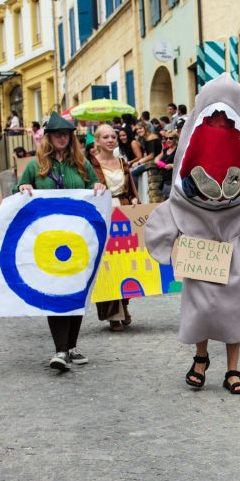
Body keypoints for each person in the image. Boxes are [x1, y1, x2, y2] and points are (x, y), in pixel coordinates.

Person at [145, 75, 240, 396]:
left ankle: (233, 369)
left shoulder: (237, 139)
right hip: (199, 239)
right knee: (201, 307)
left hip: (230, 240)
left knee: (233, 307)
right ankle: (201, 358)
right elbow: (179, 192)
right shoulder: (199, 134)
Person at [17, 112, 107, 372]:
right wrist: (22, 189)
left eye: (66, 134)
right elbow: (19, 193)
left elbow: (94, 186)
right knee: (55, 291)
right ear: (48, 137)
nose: (62, 137)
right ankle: (60, 350)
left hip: (78, 239)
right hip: (47, 241)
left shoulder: (81, 165)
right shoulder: (35, 167)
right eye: (57, 133)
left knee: (76, 291)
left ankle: (71, 346)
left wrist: (98, 188)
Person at [89, 124, 141, 332]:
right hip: (103, 214)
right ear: (98, 141)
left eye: (113, 136)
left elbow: (132, 190)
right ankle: (113, 313)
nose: (111, 140)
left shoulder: (122, 162)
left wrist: (135, 200)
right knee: (106, 265)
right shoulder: (91, 165)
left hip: (124, 214)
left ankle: (124, 306)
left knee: (125, 263)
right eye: (105, 137)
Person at [156, 130, 178, 200]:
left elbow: (182, 163)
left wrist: (172, 165)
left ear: (175, 139)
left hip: (173, 182)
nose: (168, 140)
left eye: (171, 138)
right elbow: (156, 159)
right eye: (166, 138)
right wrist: (162, 164)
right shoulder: (165, 150)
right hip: (165, 181)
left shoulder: (178, 150)